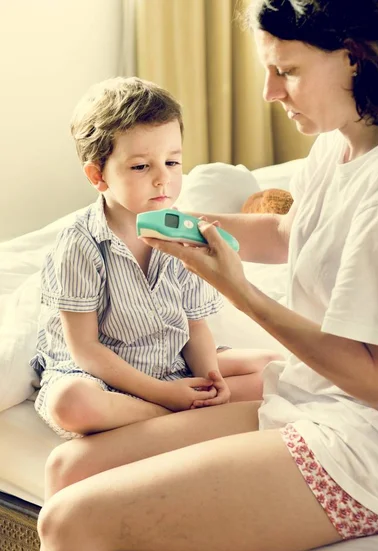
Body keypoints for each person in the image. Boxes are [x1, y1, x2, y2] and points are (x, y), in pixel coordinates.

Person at [36, 1, 378, 551]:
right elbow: (289, 232)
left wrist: (240, 291)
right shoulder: (348, 137)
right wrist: (189, 228)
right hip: (311, 401)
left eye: (287, 71)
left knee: (70, 521)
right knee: (69, 470)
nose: (270, 92)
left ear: (355, 59)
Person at [30, 77, 281, 440]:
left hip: (170, 363)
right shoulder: (79, 243)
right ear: (97, 175)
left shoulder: (185, 232)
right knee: (71, 403)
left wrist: (210, 376)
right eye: (141, 167)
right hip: (101, 376)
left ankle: (191, 408)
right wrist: (165, 396)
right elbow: (85, 350)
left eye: (172, 162)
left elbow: (195, 327)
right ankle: (173, 415)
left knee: (274, 367)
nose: (163, 179)